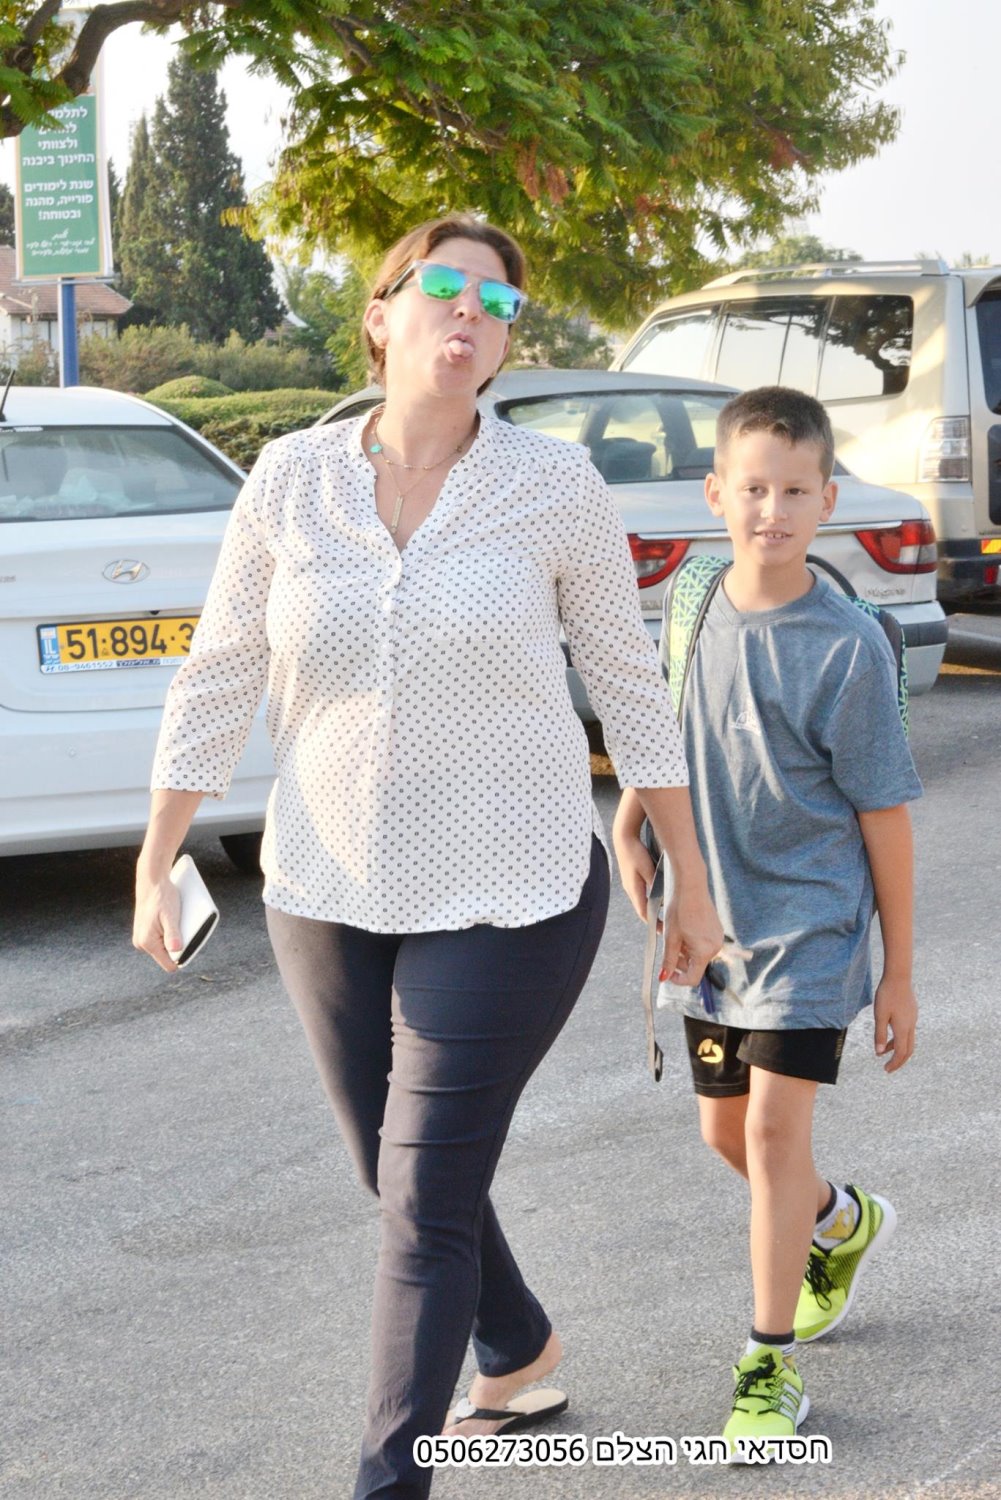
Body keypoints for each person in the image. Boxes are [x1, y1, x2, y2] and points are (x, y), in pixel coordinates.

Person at [133, 214, 723, 1499]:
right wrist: (157, 848)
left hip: (514, 886)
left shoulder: (553, 486)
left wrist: (689, 875)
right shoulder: (289, 477)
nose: (469, 312)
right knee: (392, 1171)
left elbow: (626, 682)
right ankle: (517, 1347)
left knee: (420, 1202)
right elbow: (221, 666)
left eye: (495, 303)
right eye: (443, 286)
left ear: (504, 345)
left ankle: (387, 1480)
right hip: (326, 882)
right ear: (381, 314)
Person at [613, 386, 921, 1459]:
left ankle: (767, 1364)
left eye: (794, 492)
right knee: (722, 1131)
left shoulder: (848, 646)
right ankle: (837, 1219)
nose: (771, 511)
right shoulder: (692, 599)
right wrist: (629, 821)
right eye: (752, 489)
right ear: (715, 494)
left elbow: (884, 819)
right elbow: (663, 719)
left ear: (826, 500)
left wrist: (896, 972)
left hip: (812, 932)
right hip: (710, 930)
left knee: (769, 1132)